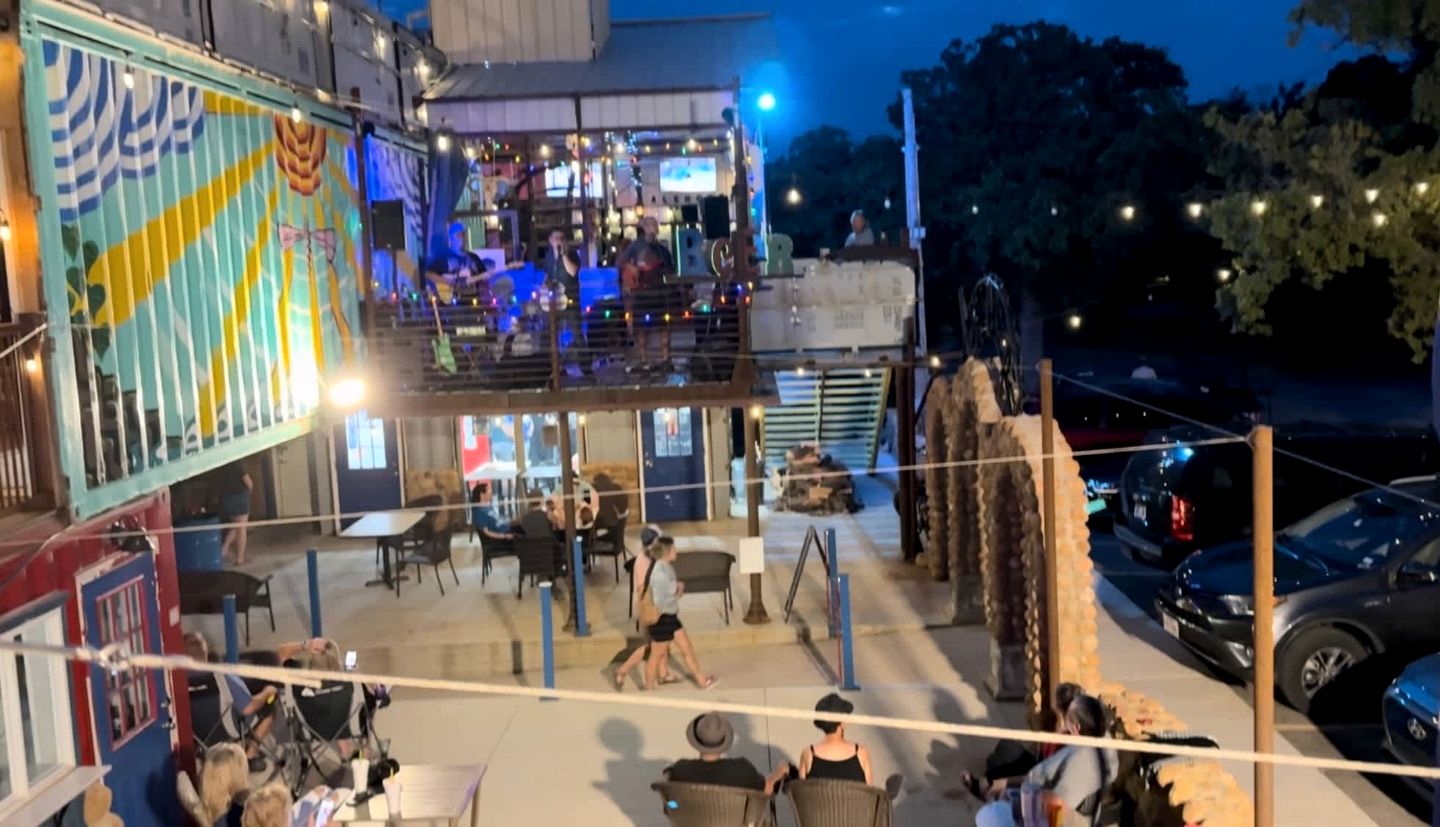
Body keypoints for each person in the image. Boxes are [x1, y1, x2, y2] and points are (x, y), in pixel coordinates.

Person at [974, 694, 1118, 827]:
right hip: (1038, 794)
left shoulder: (1081, 762)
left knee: (987, 817)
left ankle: (990, 790)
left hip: (1042, 813)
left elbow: (1056, 803)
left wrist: (1029, 799)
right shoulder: (1101, 737)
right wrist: (1007, 784)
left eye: (1067, 718)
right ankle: (991, 788)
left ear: (1076, 727)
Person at [962, 682, 1083, 801]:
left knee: (997, 762)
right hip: (1037, 767)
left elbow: (1041, 777)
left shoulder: (1072, 744)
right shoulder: (1062, 728)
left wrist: (1004, 783)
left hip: (1042, 784)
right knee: (1005, 747)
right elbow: (1040, 753)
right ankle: (990, 784)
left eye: (1059, 712)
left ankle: (987, 787)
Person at [186, 631, 279, 772]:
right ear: (205, 649)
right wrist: (267, 692)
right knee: (269, 707)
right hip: (227, 729)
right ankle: (249, 757)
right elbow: (248, 708)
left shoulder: (177, 681)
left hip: (197, 733)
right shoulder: (222, 675)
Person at [645, 537, 717, 690]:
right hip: (662, 619)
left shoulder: (666, 567)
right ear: (666, 553)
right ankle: (649, 688)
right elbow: (674, 591)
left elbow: (677, 591)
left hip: (671, 616)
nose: (676, 551)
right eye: (673, 549)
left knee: (686, 649)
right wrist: (678, 586)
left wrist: (678, 587)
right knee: (656, 655)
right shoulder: (660, 573)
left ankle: (702, 680)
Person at [612, 525, 675, 690]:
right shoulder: (644, 561)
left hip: (652, 604)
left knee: (662, 641)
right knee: (650, 644)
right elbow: (644, 587)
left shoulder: (647, 557)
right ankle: (623, 671)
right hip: (649, 606)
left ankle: (663, 673)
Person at [663, 712, 789, 793]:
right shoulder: (741, 769)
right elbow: (767, 789)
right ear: (724, 740)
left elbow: (671, 804)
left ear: (696, 739)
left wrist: (674, 806)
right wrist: (780, 772)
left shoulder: (681, 770)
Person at [616, 216, 676, 367]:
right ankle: (643, 360)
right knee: (641, 328)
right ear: (645, 227)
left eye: (656, 223)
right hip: (643, 291)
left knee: (664, 326)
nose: (656, 226)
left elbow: (670, 267)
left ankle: (665, 359)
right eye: (652, 224)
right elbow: (620, 261)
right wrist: (632, 268)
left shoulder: (661, 248)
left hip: (660, 291)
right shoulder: (636, 246)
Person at [197, 742, 249, 827]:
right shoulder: (240, 809)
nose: (199, 774)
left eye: (203, 768)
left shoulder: (222, 821)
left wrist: (194, 807)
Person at [217, 461, 253, 565]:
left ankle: (224, 549)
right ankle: (240, 558)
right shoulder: (238, 463)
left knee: (236, 526)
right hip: (240, 497)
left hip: (227, 498)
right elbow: (248, 482)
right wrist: (250, 490)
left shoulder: (222, 464)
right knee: (241, 528)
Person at [470, 481, 515, 551]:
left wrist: (512, 522)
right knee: (529, 538)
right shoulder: (479, 512)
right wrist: (505, 536)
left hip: (507, 530)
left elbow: (497, 521)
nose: (491, 493)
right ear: (482, 494)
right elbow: (487, 533)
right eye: (489, 490)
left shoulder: (488, 506)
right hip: (501, 540)